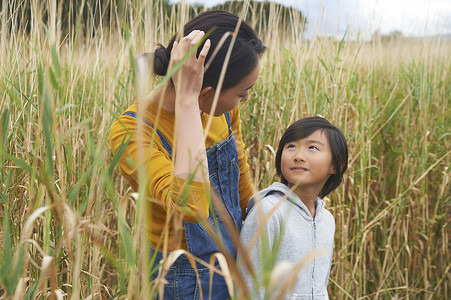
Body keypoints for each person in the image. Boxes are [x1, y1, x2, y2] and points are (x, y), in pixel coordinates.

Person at [108, 10, 266, 299]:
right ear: (205, 92)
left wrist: (260, 238)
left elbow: (240, 172)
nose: (245, 99)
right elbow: (192, 208)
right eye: (243, 91)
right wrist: (187, 102)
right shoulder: (130, 131)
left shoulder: (224, 107)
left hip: (236, 258)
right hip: (187, 280)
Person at [238, 117, 348, 299]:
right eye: (291, 146)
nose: (298, 156)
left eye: (312, 147)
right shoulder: (268, 211)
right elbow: (248, 285)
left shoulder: (327, 220)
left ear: (336, 165)